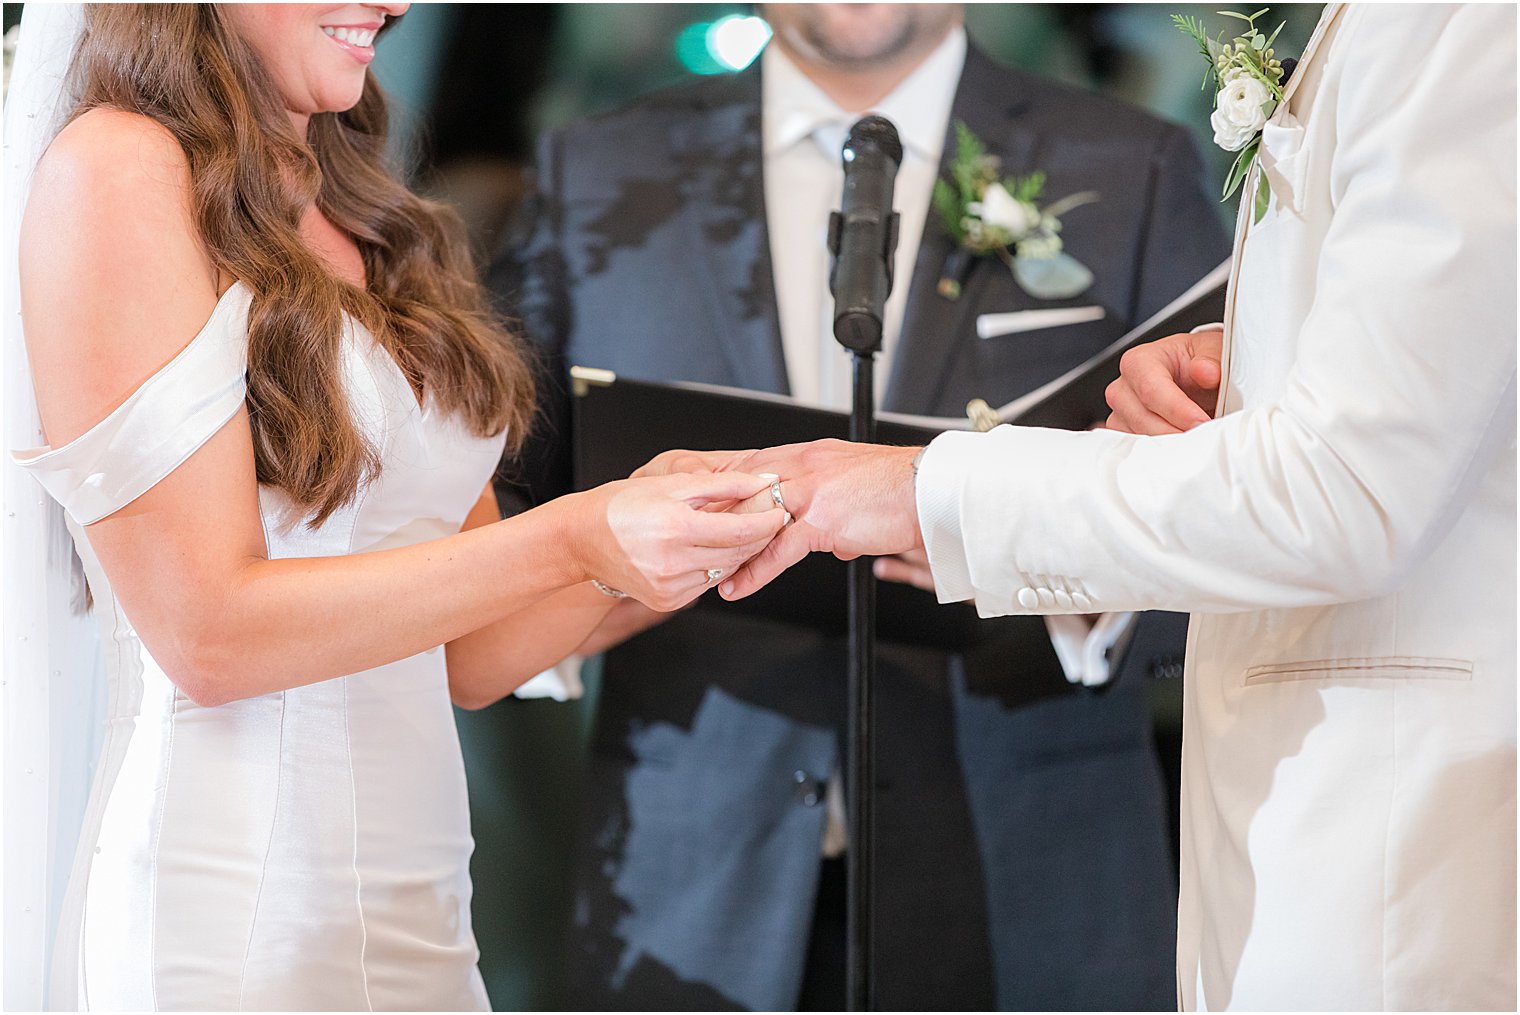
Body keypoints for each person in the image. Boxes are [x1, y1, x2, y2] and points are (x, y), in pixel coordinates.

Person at [700, 4, 1516, 1009]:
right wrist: (1245, 381)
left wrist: (930, 489)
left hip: (1393, 834)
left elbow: (1349, 489)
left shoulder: (1450, 22)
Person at [6, 4, 786, 1009]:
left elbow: (476, 650)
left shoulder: (355, 200)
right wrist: (573, 531)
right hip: (233, 914)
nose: (396, 2)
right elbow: (209, 638)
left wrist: (697, 528)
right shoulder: (120, 166)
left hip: (416, 910)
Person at [489, 3, 1226, 1008]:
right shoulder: (596, 174)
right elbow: (502, 518)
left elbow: (1239, 521)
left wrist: (1056, 566)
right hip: (683, 888)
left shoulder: (1133, 166)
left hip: (1034, 874)